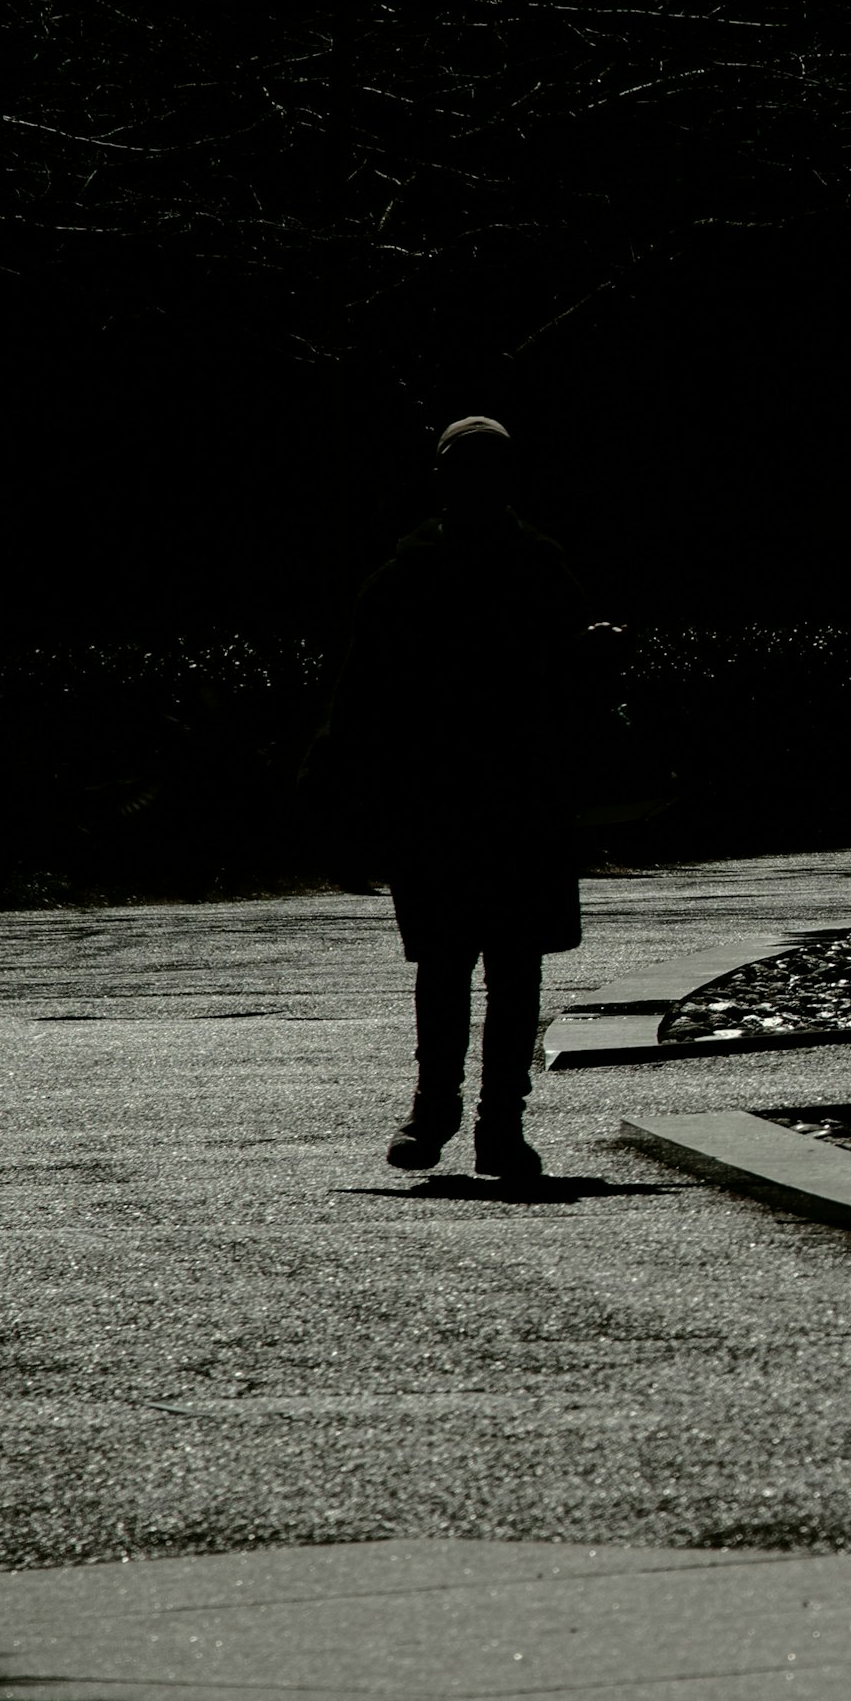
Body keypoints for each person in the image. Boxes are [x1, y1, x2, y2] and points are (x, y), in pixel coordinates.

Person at [309, 416, 593, 1179]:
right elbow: (577, 690)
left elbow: (357, 703)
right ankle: (492, 1124)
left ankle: (444, 1114)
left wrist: (343, 805)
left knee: (456, 967)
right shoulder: (537, 568)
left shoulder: (407, 575)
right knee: (501, 969)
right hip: (503, 801)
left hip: (443, 803)